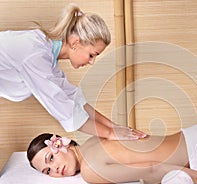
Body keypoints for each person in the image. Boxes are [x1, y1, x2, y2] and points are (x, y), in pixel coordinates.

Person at [0, 3, 146, 140]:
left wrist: (113, 126)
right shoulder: (35, 55)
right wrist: (109, 133)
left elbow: (74, 98)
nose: (91, 62)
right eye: (91, 55)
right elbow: (63, 108)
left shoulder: (46, 56)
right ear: (75, 43)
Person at [27, 123, 197, 184]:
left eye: (51, 159)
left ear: (61, 144)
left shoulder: (90, 170)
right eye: (46, 171)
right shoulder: (93, 139)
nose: (55, 169)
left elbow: (153, 170)